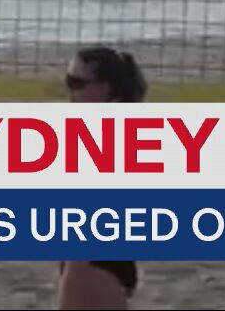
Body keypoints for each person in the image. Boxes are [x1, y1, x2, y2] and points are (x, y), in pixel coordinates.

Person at [58, 46, 145, 311]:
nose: (70, 92)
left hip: (92, 266)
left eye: (77, 83)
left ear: (105, 88)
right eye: (68, 81)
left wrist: (73, 277)